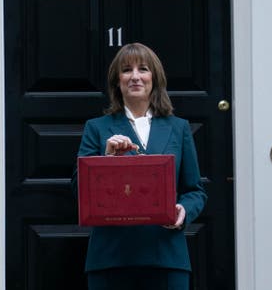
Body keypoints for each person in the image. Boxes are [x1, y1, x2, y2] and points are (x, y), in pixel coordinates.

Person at [72, 43, 207, 290]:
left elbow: (195, 190)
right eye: (126, 70)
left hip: (166, 256)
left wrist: (182, 212)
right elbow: (78, 192)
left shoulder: (178, 128)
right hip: (110, 258)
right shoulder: (97, 128)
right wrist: (106, 159)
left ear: (154, 78)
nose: (135, 76)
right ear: (117, 81)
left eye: (143, 69)